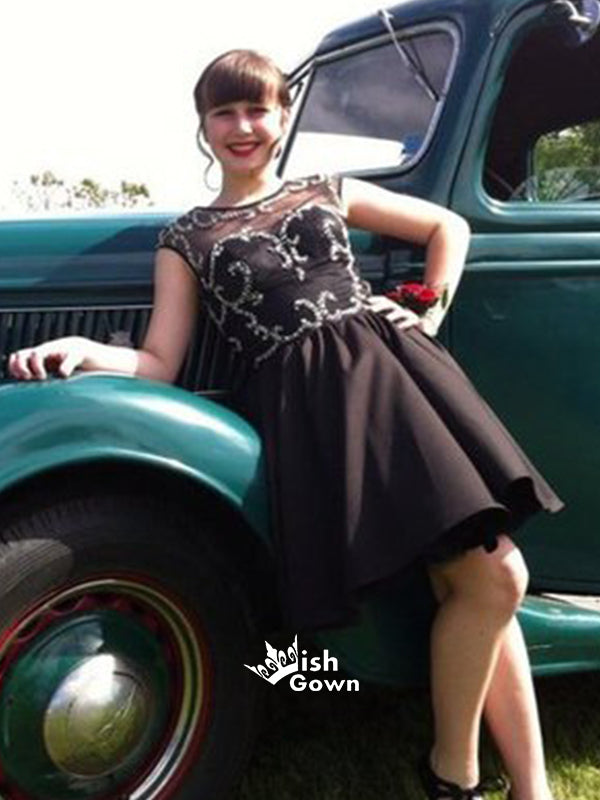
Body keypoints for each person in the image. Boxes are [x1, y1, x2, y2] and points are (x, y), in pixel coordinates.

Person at [9, 50, 563, 800]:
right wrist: (85, 350)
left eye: (258, 109)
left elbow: (446, 226)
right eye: (225, 112)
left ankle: (498, 782)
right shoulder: (187, 238)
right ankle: (457, 773)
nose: (243, 126)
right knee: (488, 578)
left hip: (395, 378)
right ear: (204, 125)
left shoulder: (324, 189)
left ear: (282, 116)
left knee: (492, 575)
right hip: (313, 409)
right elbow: (161, 362)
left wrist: (429, 303)